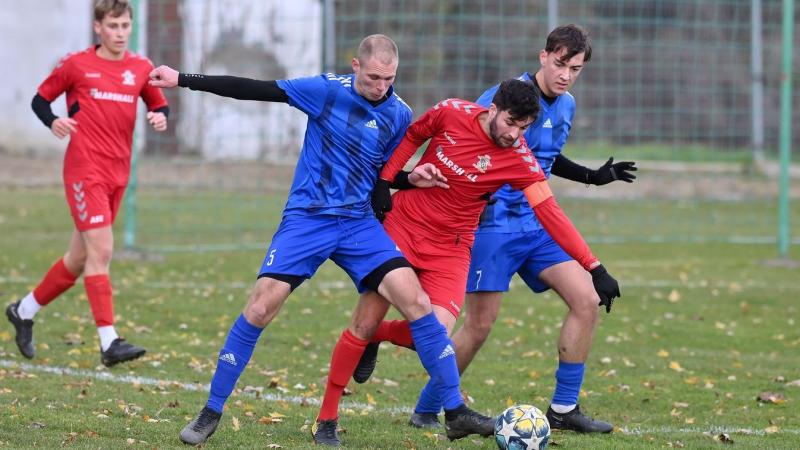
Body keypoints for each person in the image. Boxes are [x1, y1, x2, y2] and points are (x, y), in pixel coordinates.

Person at [148, 34, 497, 447]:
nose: (381, 86)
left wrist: (411, 178)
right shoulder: (326, 91)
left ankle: (454, 410)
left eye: (389, 78)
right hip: (308, 219)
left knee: (418, 303)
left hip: (359, 224)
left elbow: (382, 174)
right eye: (373, 77)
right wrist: (183, 79)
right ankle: (211, 410)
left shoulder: (399, 114)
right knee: (261, 306)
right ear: (355, 66)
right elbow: (257, 90)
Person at [358, 24, 636, 434]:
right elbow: (471, 153)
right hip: (492, 227)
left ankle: (563, 408)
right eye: (561, 64)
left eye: (575, 68)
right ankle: (429, 406)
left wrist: (593, 177)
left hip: (535, 224)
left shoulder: (567, 106)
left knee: (587, 300)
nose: (566, 75)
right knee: (479, 326)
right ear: (543, 57)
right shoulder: (498, 99)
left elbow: (543, 158)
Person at [6, 0, 169, 368]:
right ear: (98, 28)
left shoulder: (140, 67)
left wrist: (159, 116)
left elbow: (157, 103)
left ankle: (23, 311)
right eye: (113, 26)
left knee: (80, 258)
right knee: (103, 251)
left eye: (125, 25)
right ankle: (109, 341)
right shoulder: (77, 64)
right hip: (85, 170)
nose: (120, 33)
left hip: (117, 173)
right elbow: (39, 99)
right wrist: (53, 122)